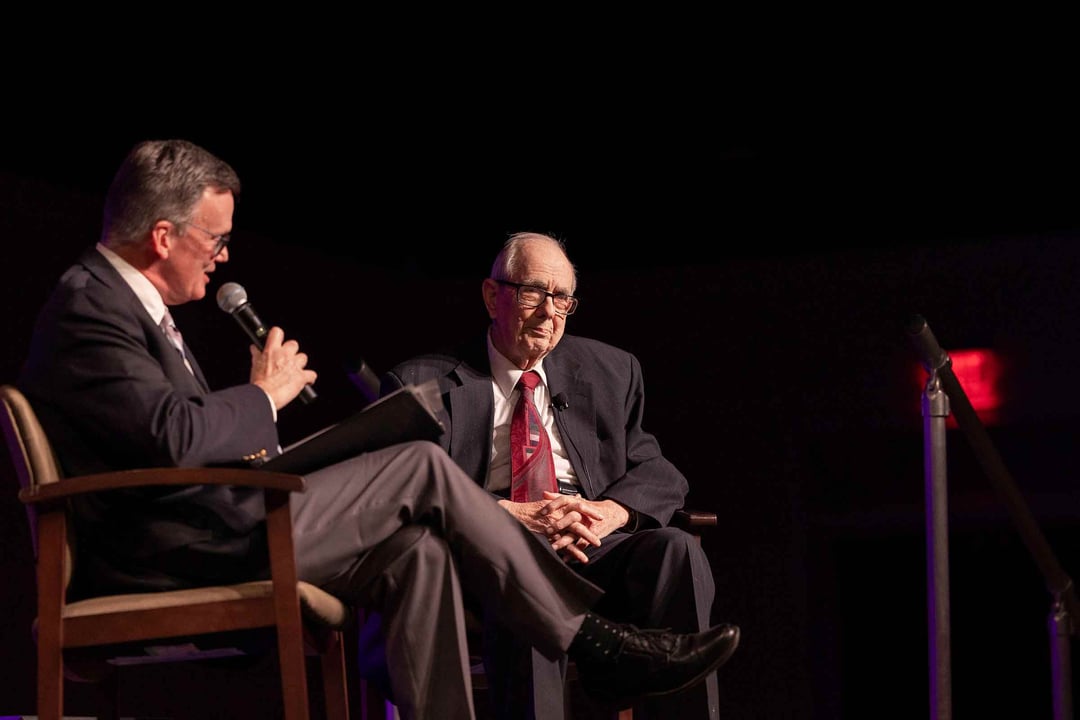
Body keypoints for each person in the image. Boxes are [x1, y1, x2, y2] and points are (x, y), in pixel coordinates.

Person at [16, 140, 739, 720]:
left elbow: (167, 434)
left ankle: (585, 642)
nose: (224, 254)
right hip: (178, 547)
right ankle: (596, 641)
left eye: (564, 298)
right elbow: (175, 439)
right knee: (421, 470)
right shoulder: (92, 306)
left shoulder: (125, 307)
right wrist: (263, 397)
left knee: (417, 555)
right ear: (164, 235)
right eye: (217, 237)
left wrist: (269, 434)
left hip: (214, 520)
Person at [382, 231, 727, 719]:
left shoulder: (611, 369)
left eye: (561, 298)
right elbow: (406, 494)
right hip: (487, 557)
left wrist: (610, 512)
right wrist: (512, 517)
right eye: (532, 293)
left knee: (678, 551)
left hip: (590, 537)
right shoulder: (422, 383)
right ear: (491, 296)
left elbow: (655, 468)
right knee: (528, 558)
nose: (549, 312)